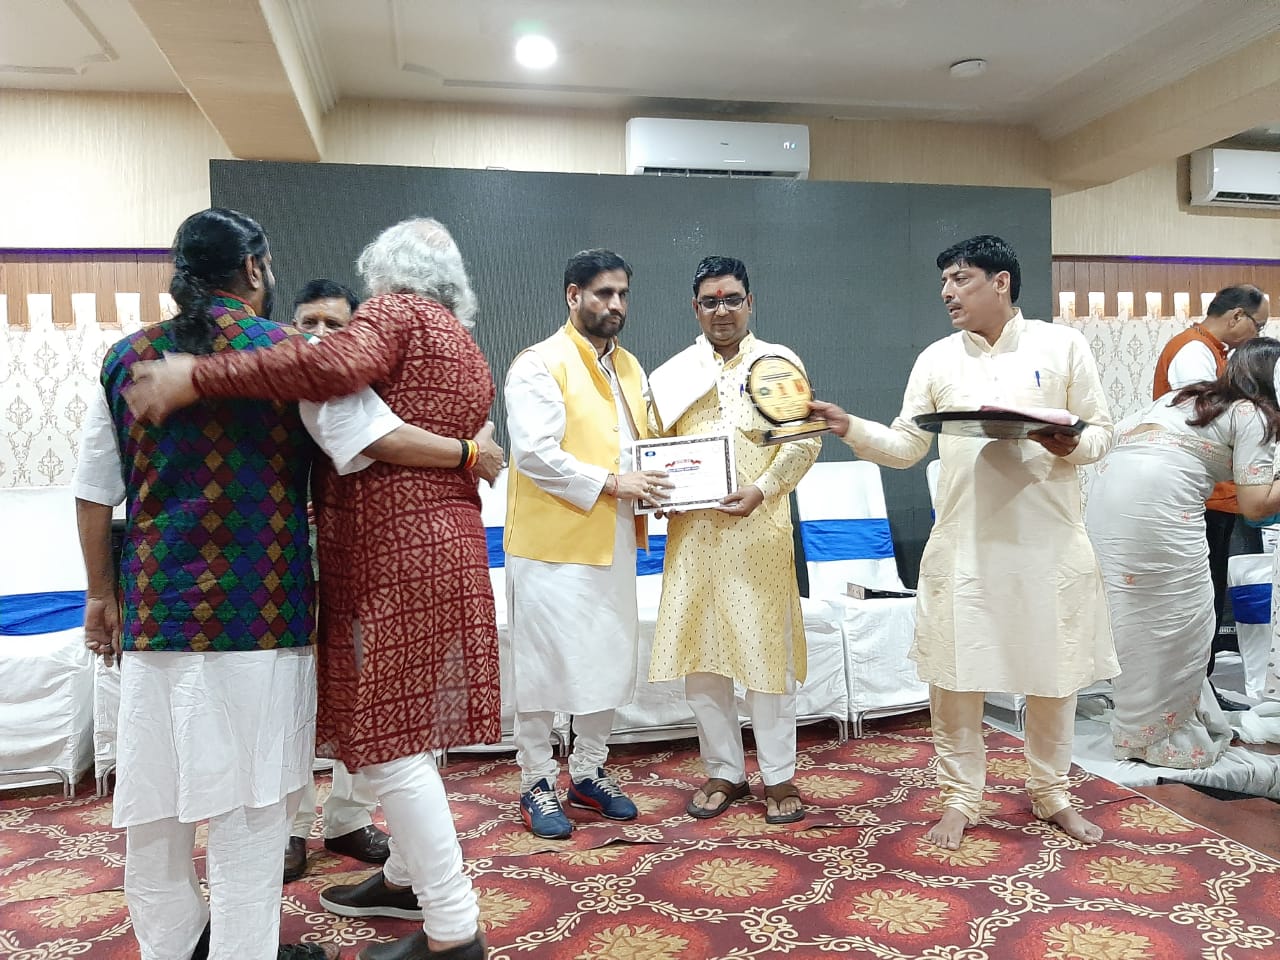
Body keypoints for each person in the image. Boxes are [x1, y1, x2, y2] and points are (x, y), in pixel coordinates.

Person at [124, 217, 500, 960]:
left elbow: (334, 377)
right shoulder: (462, 342)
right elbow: (445, 434)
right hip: (451, 544)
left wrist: (197, 375)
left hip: (392, 548)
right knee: (408, 735)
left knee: (390, 746)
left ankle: (454, 927)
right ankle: (406, 882)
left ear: (381, 274)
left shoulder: (392, 313)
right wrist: (465, 454)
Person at [73, 208, 338, 960]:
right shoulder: (291, 355)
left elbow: (94, 492)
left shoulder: (127, 357)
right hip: (263, 611)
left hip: (157, 611)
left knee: (155, 808)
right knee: (252, 811)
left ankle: (175, 946)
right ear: (254, 269)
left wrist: (101, 595)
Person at [810, 235, 1118, 849]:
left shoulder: (1062, 345)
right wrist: (851, 427)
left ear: (1000, 282)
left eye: (960, 279)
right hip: (964, 545)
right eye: (944, 282)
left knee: (1053, 671)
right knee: (954, 677)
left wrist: (1070, 443)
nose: (947, 293)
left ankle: (1052, 792)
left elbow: (1101, 433)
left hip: (1048, 542)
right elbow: (907, 445)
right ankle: (960, 798)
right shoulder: (937, 359)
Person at [503, 248, 671, 840]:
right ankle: (535, 780)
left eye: (623, 293)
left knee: (607, 660)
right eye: (603, 293)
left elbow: (638, 450)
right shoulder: (539, 363)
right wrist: (616, 483)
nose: (615, 304)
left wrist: (657, 489)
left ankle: (588, 771)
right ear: (572, 295)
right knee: (542, 668)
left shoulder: (630, 366)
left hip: (614, 539)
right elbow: (535, 454)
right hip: (550, 546)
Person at [647, 255, 820, 825]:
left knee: (767, 660)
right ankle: (724, 770)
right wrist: (655, 491)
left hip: (758, 535)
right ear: (695, 308)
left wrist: (763, 489)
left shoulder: (778, 364)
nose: (721, 310)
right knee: (703, 662)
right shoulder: (673, 375)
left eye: (732, 299)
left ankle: (779, 774)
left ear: (750, 303)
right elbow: (651, 447)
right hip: (693, 539)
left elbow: (804, 441)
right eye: (710, 301)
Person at [1088, 337, 1280, 769]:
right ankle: (1160, 739)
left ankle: (1142, 727)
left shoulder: (1188, 397)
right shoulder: (1252, 413)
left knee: (1133, 621)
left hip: (1106, 498)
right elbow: (1256, 506)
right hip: (1160, 506)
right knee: (1183, 621)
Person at [284, 279, 389, 882]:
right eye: (309, 323)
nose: (321, 335)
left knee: (361, 688)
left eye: (335, 325)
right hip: (286, 566)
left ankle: (350, 817)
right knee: (295, 693)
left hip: (358, 561)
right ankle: (292, 827)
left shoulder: (368, 395)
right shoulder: (274, 391)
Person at [1152, 285, 1271, 694]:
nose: (1257, 335)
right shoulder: (1193, 351)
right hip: (1199, 494)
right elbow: (1206, 419)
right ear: (1236, 316)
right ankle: (1191, 692)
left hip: (1212, 493)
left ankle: (1201, 691)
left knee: (1211, 592)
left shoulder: (1212, 351)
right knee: (1199, 597)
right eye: (1258, 326)